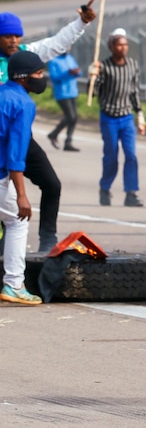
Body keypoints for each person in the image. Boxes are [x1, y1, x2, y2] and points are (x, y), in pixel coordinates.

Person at [0, 1, 96, 252]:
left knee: (51, 184)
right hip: (1, 138)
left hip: (19, 136)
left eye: (17, 35)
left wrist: (81, 23)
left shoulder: (24, 54)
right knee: (8, 203)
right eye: (7, 35)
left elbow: (55, 44)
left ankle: (47, 242)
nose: (13, 40)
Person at [0, 51, 47, 305]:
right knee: (18, 222)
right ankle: (14, 284)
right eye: (38, 73)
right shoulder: (23, 103)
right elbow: (16, 154)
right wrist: (21, 195)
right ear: (23, 78)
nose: (42, 78)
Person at [91, 28, 145, 207]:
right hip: (109, 118)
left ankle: (131, 193)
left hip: (127, 117)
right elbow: (93, 93)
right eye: (119, 44)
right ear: (112, 46)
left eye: (125, 44)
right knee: (111, 155)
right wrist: (93, 76)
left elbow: (134, 92)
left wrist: (141, 115)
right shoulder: (104, 66)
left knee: (131, 155)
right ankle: (104, 188)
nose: (123, 48)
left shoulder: (133, 65)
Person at [47, 51, 82, 152]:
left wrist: (77, 72)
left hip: (72, 91)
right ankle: (54, 134)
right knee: (70, 116)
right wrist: (67, 73)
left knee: (74, 118)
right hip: (62, 93)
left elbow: (79, 72)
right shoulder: (53, 61)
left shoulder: (70, 58)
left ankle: (68, 142)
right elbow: (54, 77)